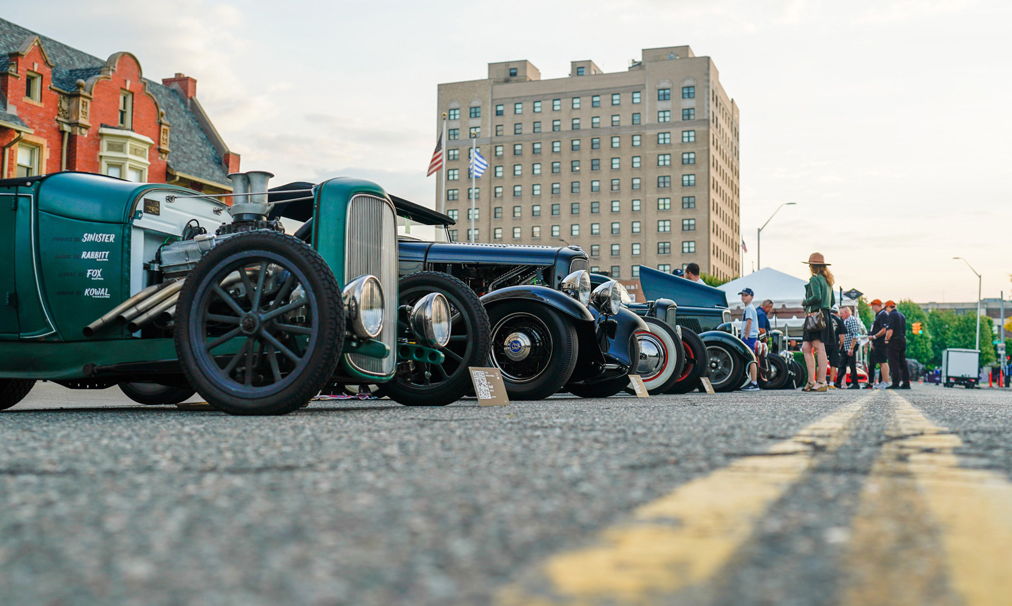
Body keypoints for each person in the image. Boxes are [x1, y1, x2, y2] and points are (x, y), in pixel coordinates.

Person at [801, 252, 835, 392]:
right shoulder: (828, 281)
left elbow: (816, 297)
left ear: (813, 266)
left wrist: (805, 302)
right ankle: (812, 381)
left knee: (818, 347)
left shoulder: (814, 279)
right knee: (806, 347)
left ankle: (821, 382)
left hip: (815, 315)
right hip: (824, 314)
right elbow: (832, 301)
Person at [884, 300, 911, 389]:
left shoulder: (892, 315)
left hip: (894, 341)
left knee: (893, 362)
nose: (886, 311)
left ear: (888, 307)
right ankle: (906, 383)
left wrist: (887, 340)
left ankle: (895, 383)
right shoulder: (901, 315)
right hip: (902, 340)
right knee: (902, 362)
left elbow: (890, 330)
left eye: (886, 308)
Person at [865, 299, 891, 389]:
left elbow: (884, 329)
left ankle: (885, 381)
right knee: (880, 362)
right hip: (877, 342)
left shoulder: (883, 314)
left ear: (877, 305)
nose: (872, 308)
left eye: (872, 306)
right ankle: (883, 381)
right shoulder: (878, 315)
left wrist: (874, 337)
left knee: (883, 362)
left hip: (881, 342)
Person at [835, 306, 862, 389]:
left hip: (851, 345)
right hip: (846, 345)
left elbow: (855, 335)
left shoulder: (852, 320)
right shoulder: (845, 320)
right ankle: (838, 383)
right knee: (842, 364)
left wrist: (851, 348)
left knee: (851, 364)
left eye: (841, 313)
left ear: (846, 312)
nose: (840, 315)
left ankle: (855, 383)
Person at [739, 288, 760, 391]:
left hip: (749, 337)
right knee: (751, 359)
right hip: (751, 336)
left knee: (751, 360)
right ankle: (752, 382)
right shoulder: (749, 308)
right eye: (742, 295)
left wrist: (745, 336)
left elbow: (749, 322)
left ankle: (754, 383)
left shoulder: (749, 308)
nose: (743, 297)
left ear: (751, 297)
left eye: (746, 295)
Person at [826, 306, 846, 388]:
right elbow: (842, 337)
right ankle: (831, 383)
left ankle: (821, 381)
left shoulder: (825, 318)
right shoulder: (839, 320)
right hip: (834, 345)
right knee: (833, 364)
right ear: (837, 312)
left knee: (821, 363)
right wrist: (840, 346)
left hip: (824, 343)